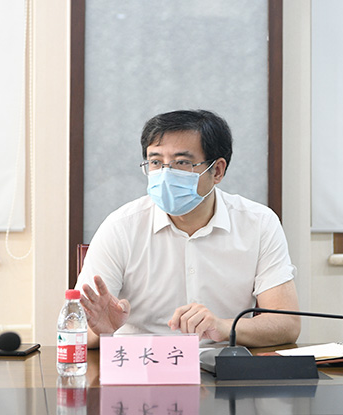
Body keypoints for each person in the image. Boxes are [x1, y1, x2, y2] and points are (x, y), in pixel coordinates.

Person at [76, 110, 301, 348]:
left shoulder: (259, 223)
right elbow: (75, 329)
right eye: (155, 162)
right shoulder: (120, 227)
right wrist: (101, 332)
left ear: (217, 170)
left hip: (222, 365)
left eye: (182, 162)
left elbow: (286, 324)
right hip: (141, 363)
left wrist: (224, 327)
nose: (165, 174)